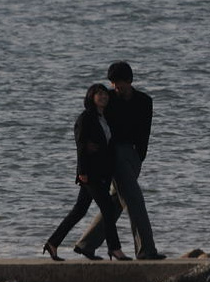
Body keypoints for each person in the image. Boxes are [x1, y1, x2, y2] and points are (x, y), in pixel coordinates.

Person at [72, 61, 166, 260]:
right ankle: (146, 250)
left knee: (116, 202)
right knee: (135, 201)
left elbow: (145, 133)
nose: (115, 86)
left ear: (129, 80)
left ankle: (86, 244)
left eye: (118, 82)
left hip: (132, 156)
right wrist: (89, 147)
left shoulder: (144, 101)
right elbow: (90, 117)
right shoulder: (108, 99)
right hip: (112, 155)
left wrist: (139, 158)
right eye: (113, 82)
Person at [43, 83, 131, 261]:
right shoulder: (86, 118)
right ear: (91, 97)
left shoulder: (104, 118)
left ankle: (52, 243)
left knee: (79, 210)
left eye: (105, 94)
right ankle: (114, 248)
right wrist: (82, 172)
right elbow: (81, 145)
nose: (103, 97)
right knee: (108, 208)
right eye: (99, 94)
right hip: (90, 173)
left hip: (103, 172)